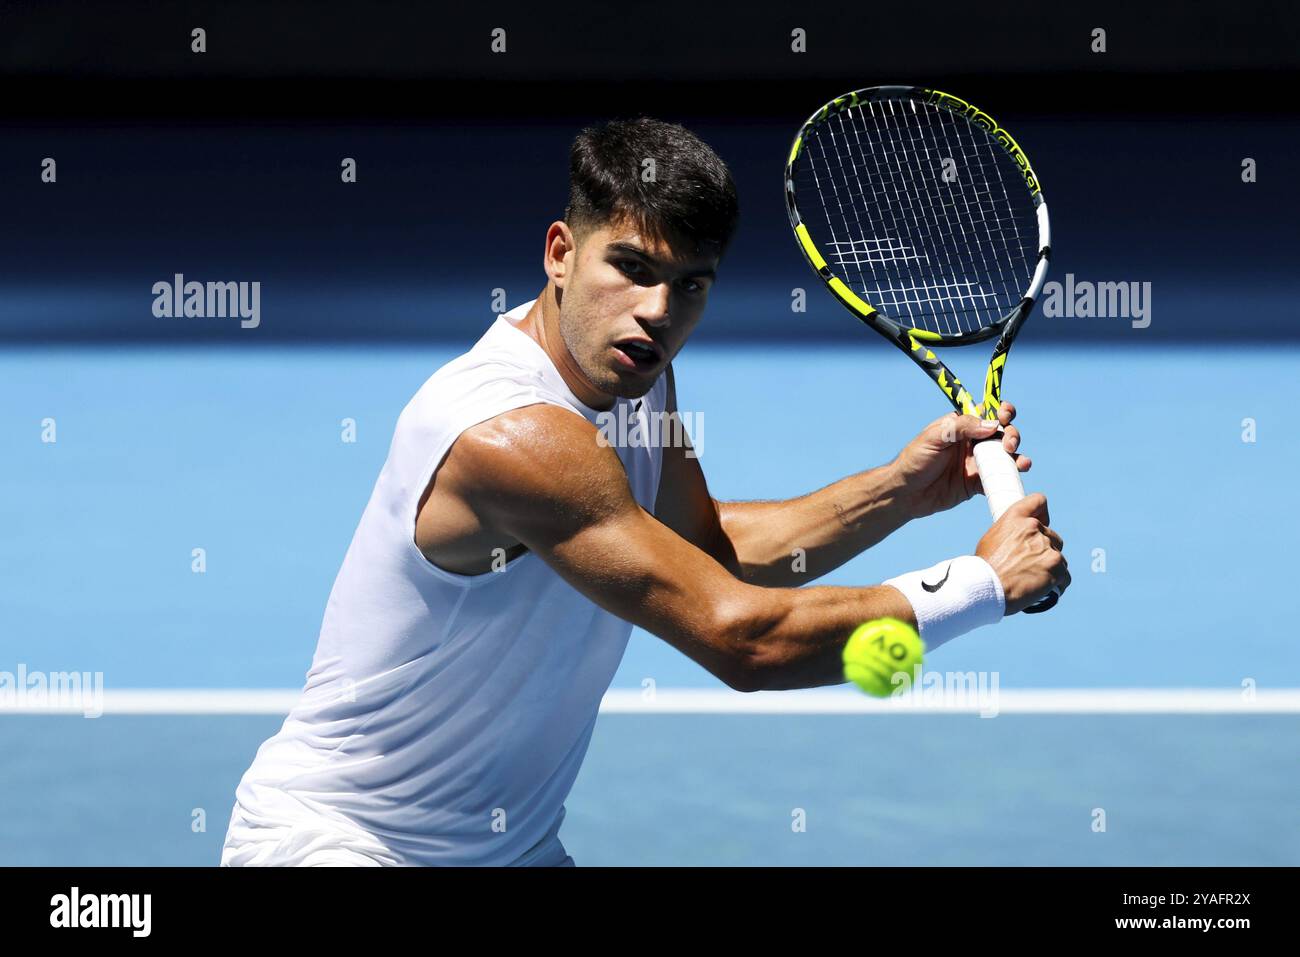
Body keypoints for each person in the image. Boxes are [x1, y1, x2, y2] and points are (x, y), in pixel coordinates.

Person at [221, 117, 1068, 867]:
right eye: (630, 267)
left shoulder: (631, 373)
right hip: (341, 841)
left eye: (690, 283)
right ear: (560, 252)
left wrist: (897, 492)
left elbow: (708, 554)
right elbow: (744, 641)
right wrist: (980, 585)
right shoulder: (512, 436)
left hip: (510, 848)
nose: (657, 312)